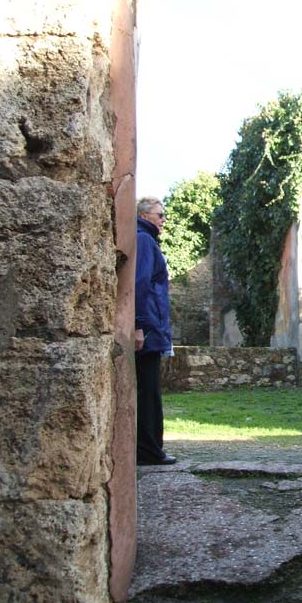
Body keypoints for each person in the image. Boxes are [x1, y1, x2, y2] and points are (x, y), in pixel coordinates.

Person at [134, 196, 177, 466]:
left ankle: (149, 448)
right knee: (148, 391)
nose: (163, 220)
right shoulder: (144, 240)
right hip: (147, 328)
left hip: (149, 326)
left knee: (149, 390)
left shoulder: (144, 238)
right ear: (145, 215)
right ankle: (149, 451)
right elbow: (139, 284)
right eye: (160, 215)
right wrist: (138, 325)